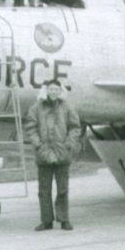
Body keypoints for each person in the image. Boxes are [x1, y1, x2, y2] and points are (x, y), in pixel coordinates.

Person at [24, 79, 82, 231]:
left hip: (63, 154)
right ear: (46, 90)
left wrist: (67, 145)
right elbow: (31, 128)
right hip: (43, 154)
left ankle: (64, 219)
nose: (53, 92)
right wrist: (39, 146)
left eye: (56, 89)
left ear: (60, 91)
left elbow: (75, 128)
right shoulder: (36, 108)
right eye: (51, 89)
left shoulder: (68, 107)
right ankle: (46, 221)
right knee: (44, 190)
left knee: (63, 189)